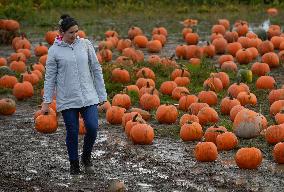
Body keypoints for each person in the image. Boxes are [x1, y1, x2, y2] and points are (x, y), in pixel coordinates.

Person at [41, 14, 107, 175]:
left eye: (76, 31)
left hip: (89, 96)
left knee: (92, 127)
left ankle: (86, 156)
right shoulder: (54, 51)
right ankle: (74, 164)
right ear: (61, 32)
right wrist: (47, 101)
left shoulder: (85, 45)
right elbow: (50, 78)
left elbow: (96, 69)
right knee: (72, 131)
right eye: (71, 32)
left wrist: (102, 95)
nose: (75, 35)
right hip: (68, 98)